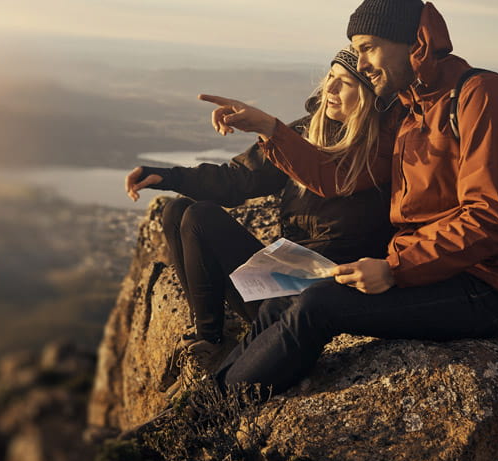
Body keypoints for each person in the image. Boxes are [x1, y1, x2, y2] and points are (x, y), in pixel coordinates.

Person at [204, 0, 498, 395]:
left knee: (319, 306)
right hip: (437, 270)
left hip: (490, 286)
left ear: (413, 43)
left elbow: (490, 217)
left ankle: (212, 415)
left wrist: (396, 267)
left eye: (368, 48)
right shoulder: (411, 107)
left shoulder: (481, 96)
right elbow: (339, 177)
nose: (362, 64)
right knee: (284, 302)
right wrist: (269, 128)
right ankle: (212, 398)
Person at [123, 45, 398, 387]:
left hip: (313, 294)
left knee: (200, 218)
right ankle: (206, 335)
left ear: (370, 97)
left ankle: (211, 344)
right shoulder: (304, 133)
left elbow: (340, 181)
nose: (328, 88)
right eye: (330, 77)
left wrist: (269, 128)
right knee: (176, 209)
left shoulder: (380, 152)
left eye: (345, 83)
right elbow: (238, 179)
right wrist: (167, 177)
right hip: (281, 273)